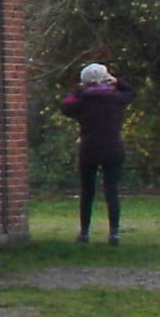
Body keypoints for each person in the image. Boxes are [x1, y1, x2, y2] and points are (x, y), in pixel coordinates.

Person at [58, 63, 138, 244]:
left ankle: (85, 232)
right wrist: (118, 81)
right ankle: (114, 233)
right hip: (113, 148)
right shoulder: (116, 99)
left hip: (89, 149)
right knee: (112, 191)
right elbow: (132, 92)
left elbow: (65, 105)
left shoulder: (82, 103)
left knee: (87, 192)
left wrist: (80, 90)